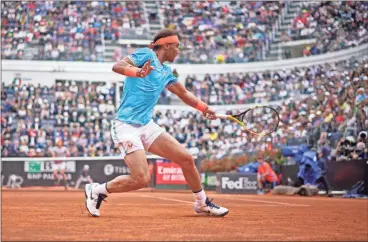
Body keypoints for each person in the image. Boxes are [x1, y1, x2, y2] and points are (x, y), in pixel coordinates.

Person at [84, 28, 229, 217]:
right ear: (166, 45)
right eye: (177, 46)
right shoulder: (146, 54)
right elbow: (117, 66)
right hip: (126, 126)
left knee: (186, 159)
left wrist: (204, 108)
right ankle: (97, 191)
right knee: (142, 179)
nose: (178, 51)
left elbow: (183, 94)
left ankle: (202, 203)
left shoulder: (166, 71)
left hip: (146, 125)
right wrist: (138, 72)